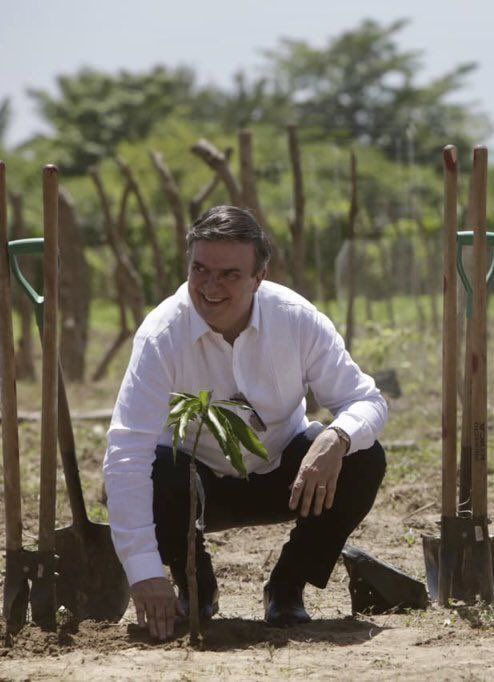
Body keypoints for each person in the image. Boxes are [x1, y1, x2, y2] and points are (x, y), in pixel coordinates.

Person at [103, 206, 388, 640]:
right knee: (159, 469)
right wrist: (144, 573)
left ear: (259, 276)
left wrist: (336, 437)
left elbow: (365, 400)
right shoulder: (162, 336)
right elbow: (127, 451)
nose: (210, 287)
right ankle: (195, 585)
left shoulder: (295, 319)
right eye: (200, 270)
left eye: (229, 275)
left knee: (363, 456)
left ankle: (288, 585)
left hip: (288, 480)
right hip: (195, 491)